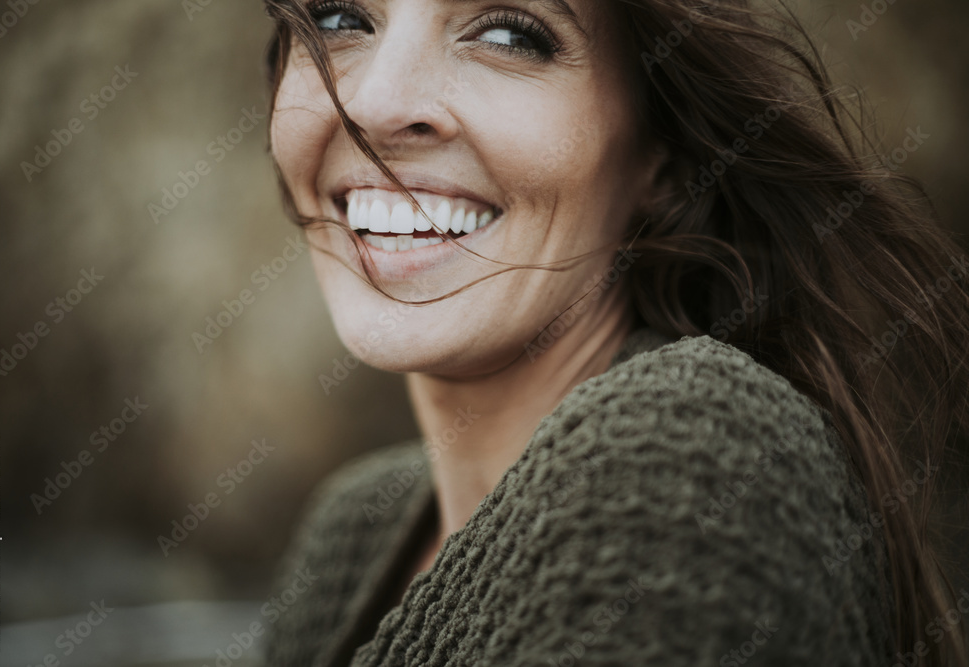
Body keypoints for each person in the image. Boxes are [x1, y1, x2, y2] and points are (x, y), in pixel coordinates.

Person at [260, 0, 969, 665]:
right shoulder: (350, 531)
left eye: (509, 34)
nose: (374, 105)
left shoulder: (690, 450)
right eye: (337, 17)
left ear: (663, 160)